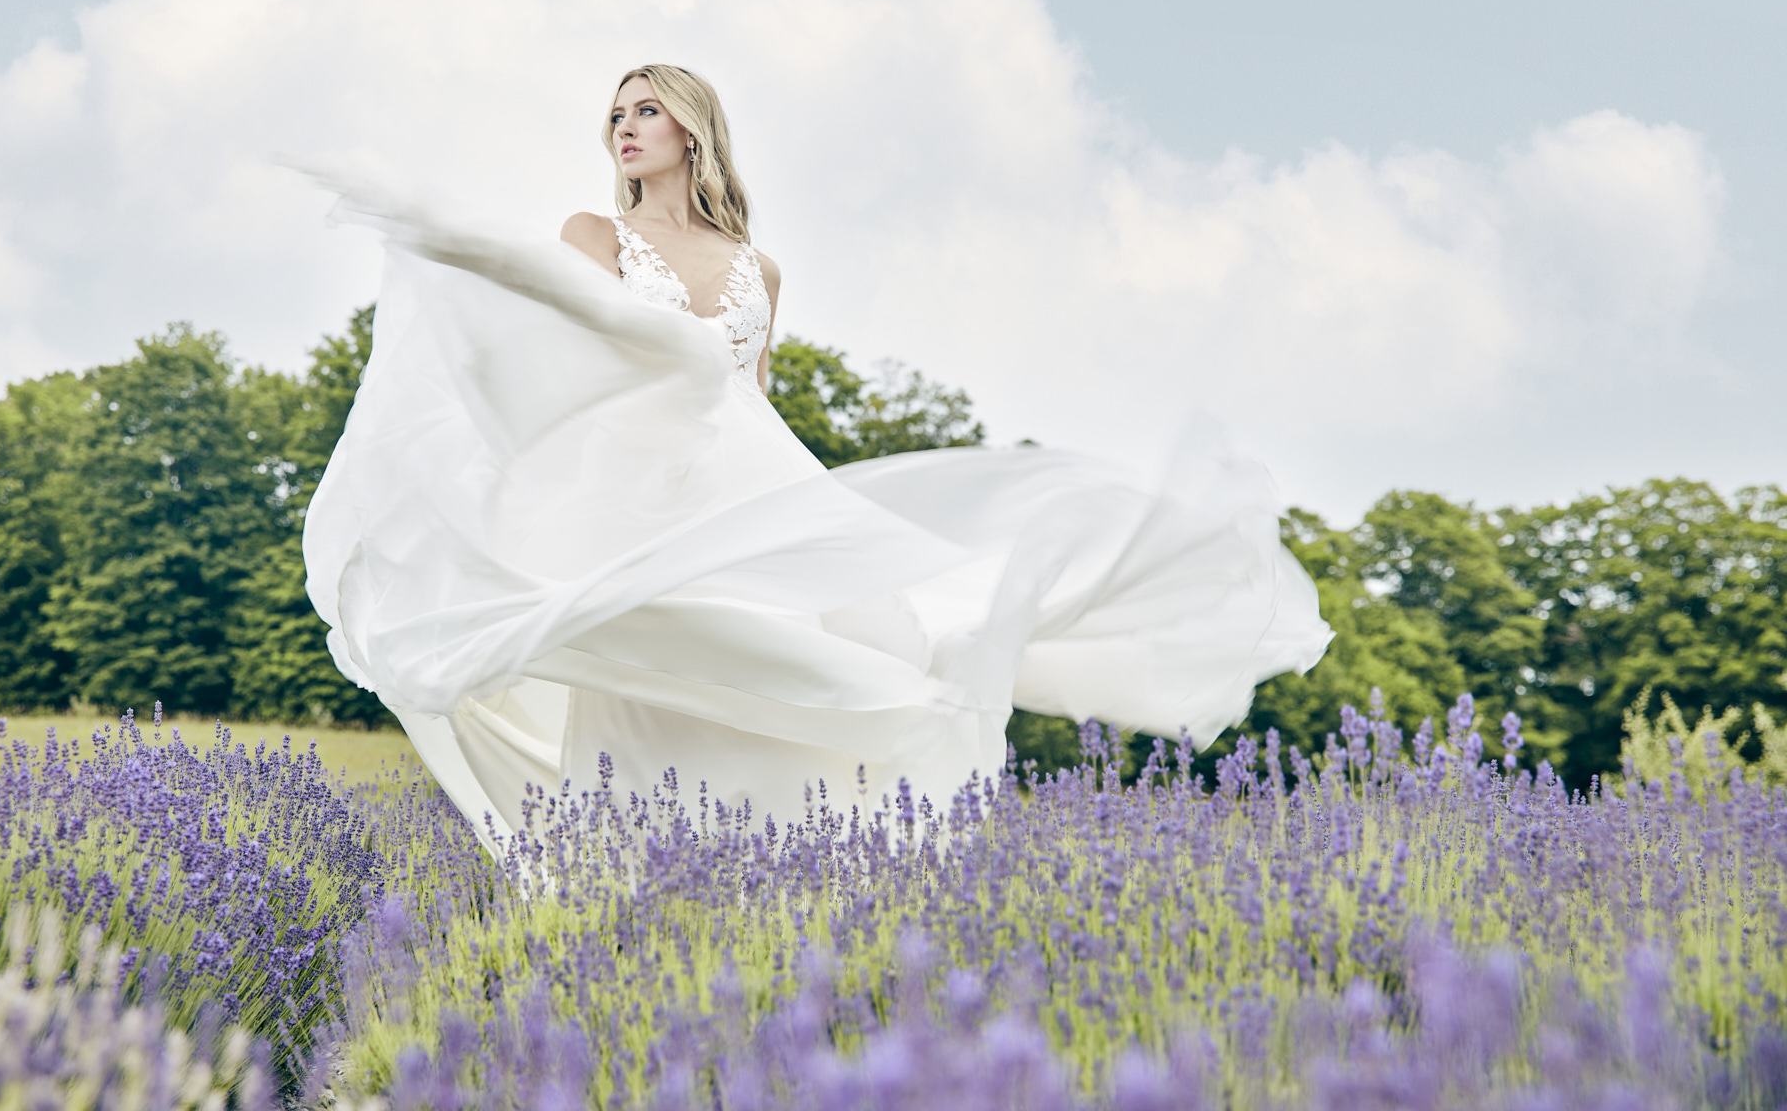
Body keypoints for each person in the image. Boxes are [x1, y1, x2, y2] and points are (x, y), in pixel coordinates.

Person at [303, 64, 1331, 854]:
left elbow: (754, 396)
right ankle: (629, 877)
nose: (624, 127)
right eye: (616, 114)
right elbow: (568, 364)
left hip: (751, 483)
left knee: (837, 655)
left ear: (693, 130)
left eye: (646, 110)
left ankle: (794, 869)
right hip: (635, 494)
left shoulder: (762, 267)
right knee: (658, 658)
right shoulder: (594, 234)